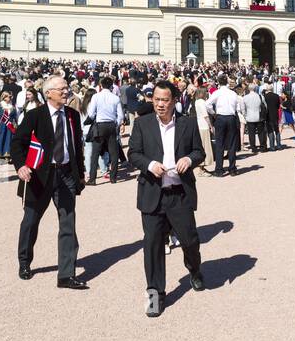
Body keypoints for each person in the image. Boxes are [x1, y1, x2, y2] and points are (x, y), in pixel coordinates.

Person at [127, 80, 205, 317]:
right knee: (151, 247)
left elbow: (199, 151)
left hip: (179, 194)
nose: (160, 104)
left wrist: (189, 160)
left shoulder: (187, 123)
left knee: (190, 241)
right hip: (153, 193)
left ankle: (194, 270)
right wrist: (149, 164)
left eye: (165, 100)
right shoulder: (142, 124)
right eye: (157, 99)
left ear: (174, 101)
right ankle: (155, 294)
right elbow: (133, 154)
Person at [11, 76, 86, 289]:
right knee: (31, 221)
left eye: (67, 88)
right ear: (48, 93)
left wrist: (80, 173)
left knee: (68, 223)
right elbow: (18, 143)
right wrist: (20, 166)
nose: (66, 91)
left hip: (65, 175)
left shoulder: (72, 115)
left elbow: (76, 146)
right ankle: (24, 262)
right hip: (39, 176)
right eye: (62, 89)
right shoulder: (35, 115)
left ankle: (66, 274)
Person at [85, 75, 123, 184]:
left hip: (100, 125)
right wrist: (116, 125)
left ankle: (92, 179)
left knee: (95, 153)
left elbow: (91, 114)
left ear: (101, 86)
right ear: (111, 86)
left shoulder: (96, 97)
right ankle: (113, 177)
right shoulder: (115, 98)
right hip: (111, 124)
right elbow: (120, 116)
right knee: (114, 152)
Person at [208, 75, 241, 176]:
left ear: (218, 81)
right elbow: (238, 107)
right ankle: (232, 169)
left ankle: (219, 169)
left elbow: (207, 104)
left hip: (221, 117)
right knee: (231, 144)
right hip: (231, 117)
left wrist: (213, 113)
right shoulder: (233, 93)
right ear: (226, 81)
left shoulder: (217, 92)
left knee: (220, 144)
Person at [0, 91, 18, 163]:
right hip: (2, 126)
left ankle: (8, 155)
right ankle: (1, 155)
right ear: (4, 97)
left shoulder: (13, 106)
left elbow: (16, 116)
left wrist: (17, 124)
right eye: (8, 96)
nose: (10, 98)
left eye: (10, 96)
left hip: (10, 126)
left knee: (10, 140)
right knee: (1, 138)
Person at [262, 82, 281, 151]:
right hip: (275, 114)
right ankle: (279, 145)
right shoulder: (276, 96)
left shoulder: (265, 96)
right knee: (277, 130)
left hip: (268, 115)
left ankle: (272, 146)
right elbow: (278, 106)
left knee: (270, 131)